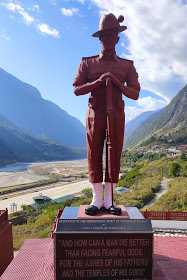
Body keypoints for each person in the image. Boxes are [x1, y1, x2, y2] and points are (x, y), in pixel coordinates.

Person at [73, 13, 140, 215]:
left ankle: (110, 200)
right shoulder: (87, 63)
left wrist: (117, 82)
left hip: (116, 115)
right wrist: (99, 81)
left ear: (118, 38)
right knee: (94, 152)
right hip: (94, 114)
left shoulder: (127, 66)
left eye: (113, 35)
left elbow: (135, 93)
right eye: (105, 35)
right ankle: (96, 199)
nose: (109, 39)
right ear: (99, 38)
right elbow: (77, 88)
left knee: (114, 152)